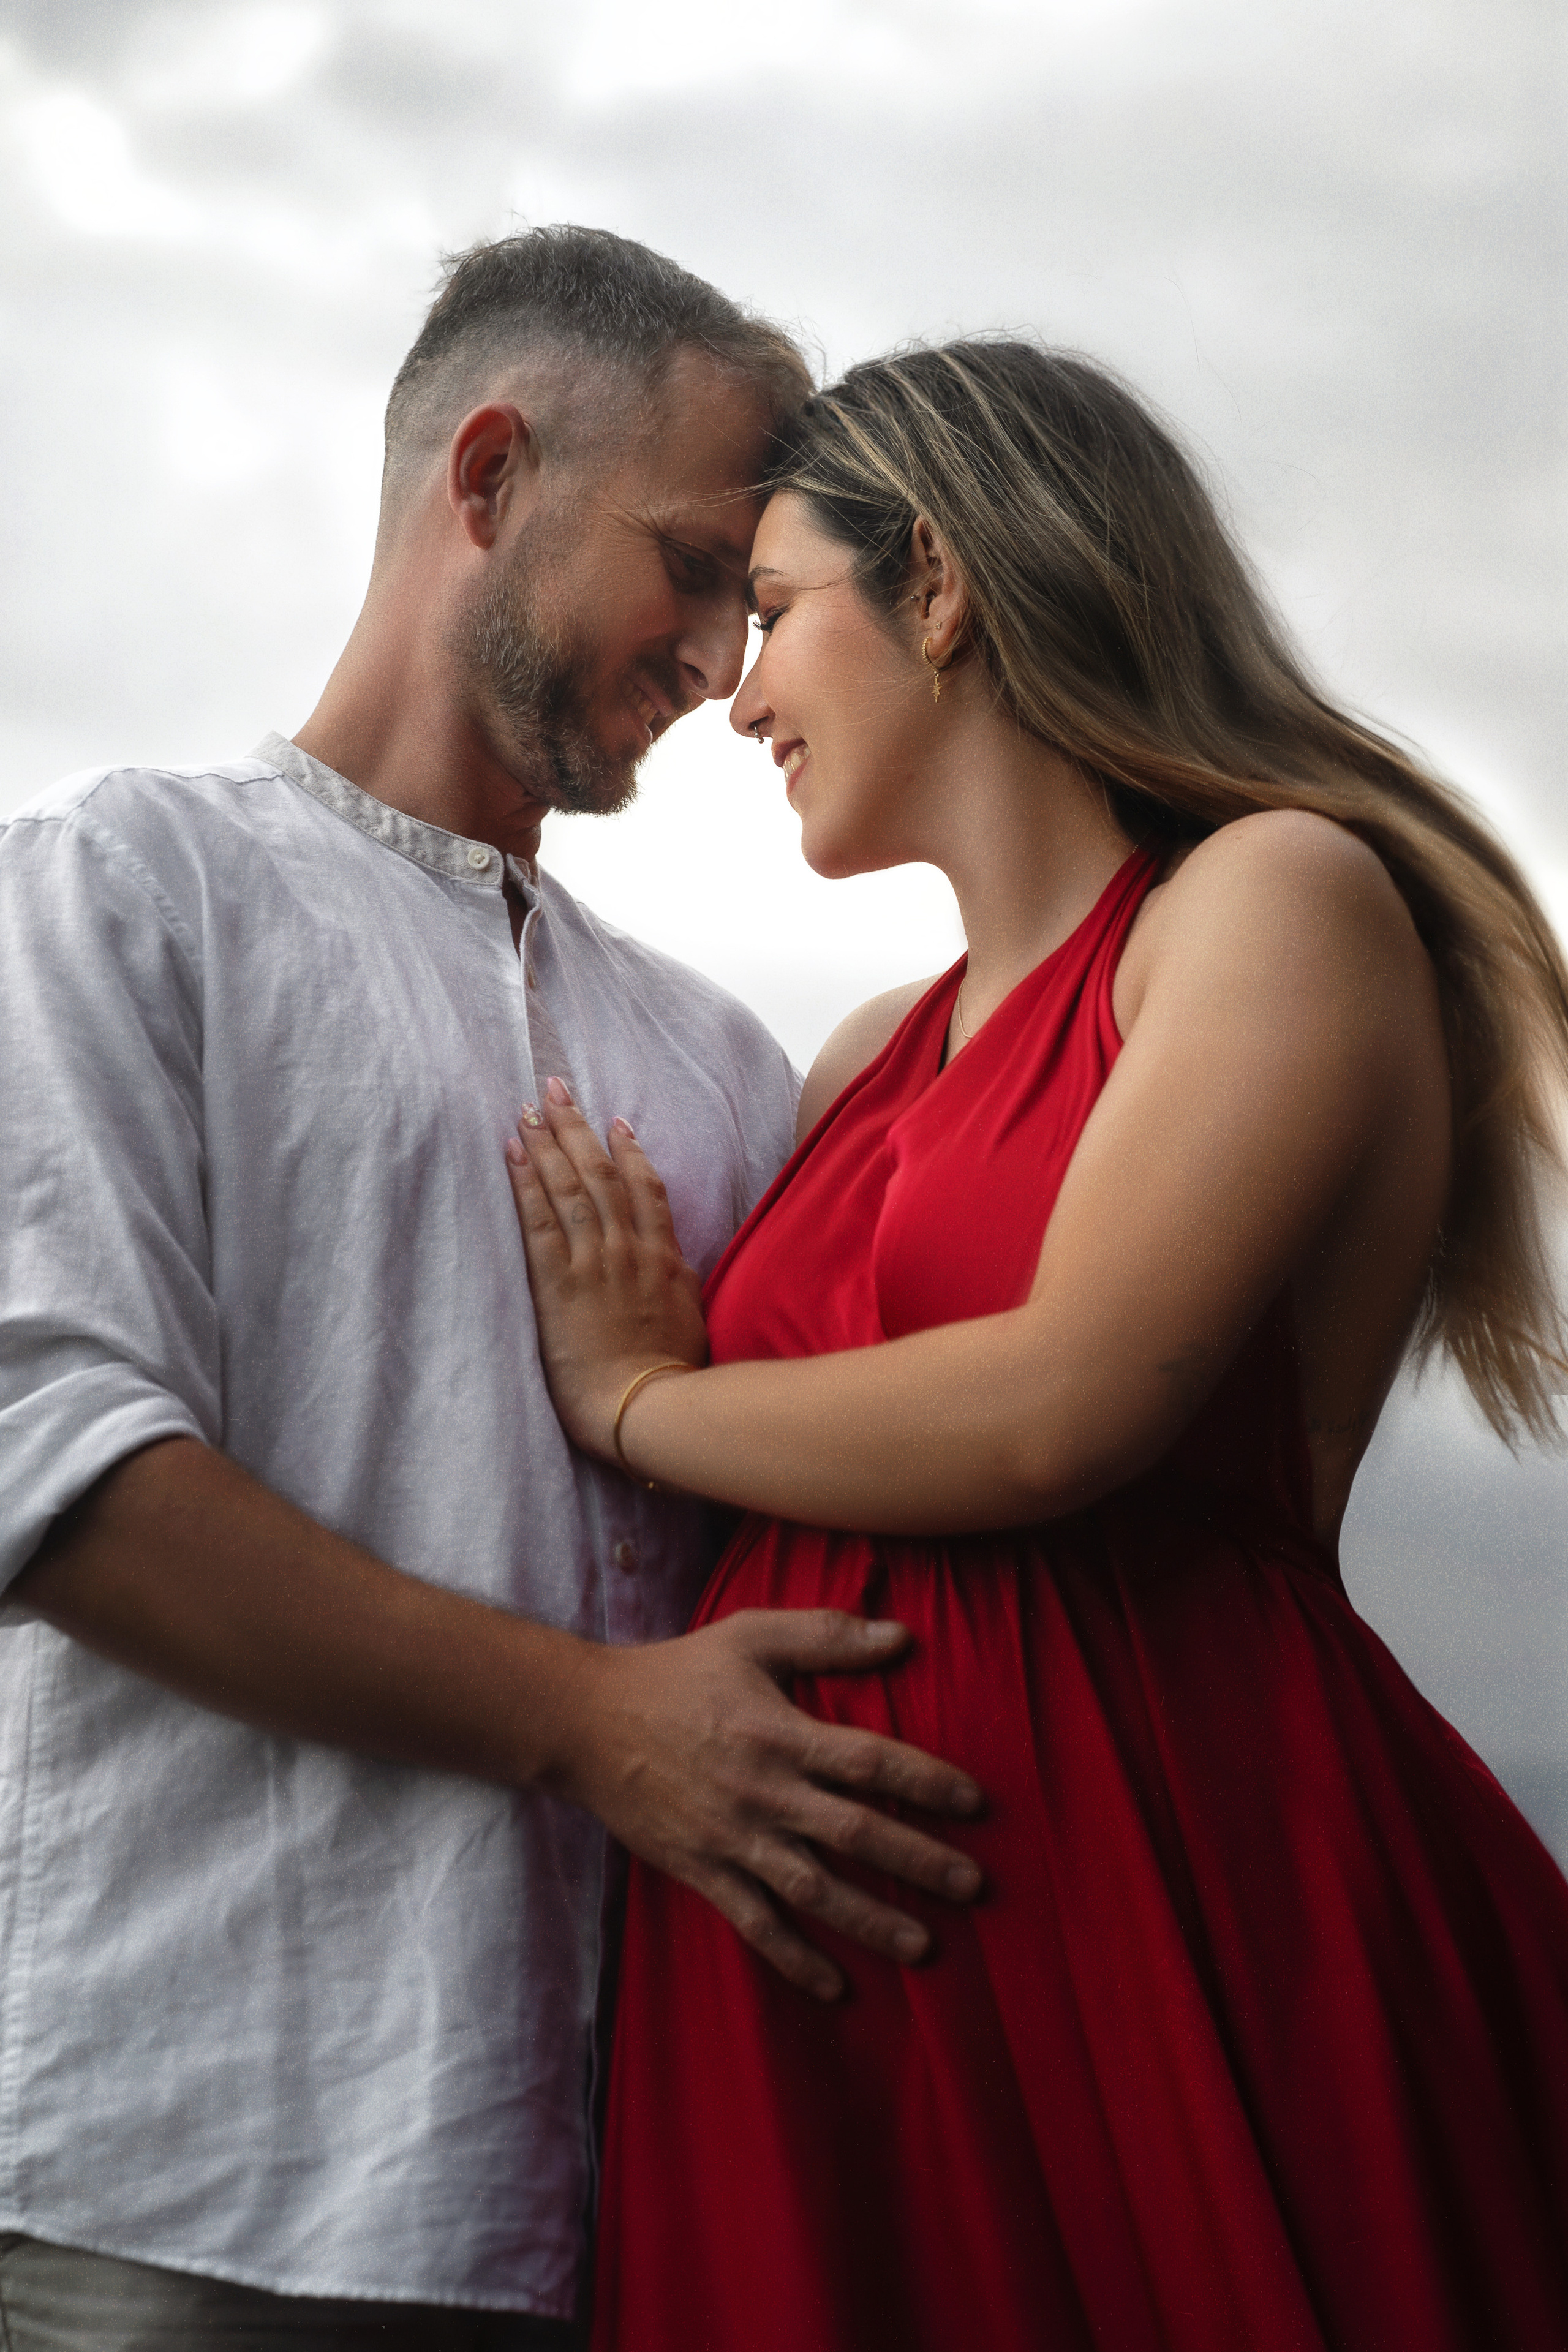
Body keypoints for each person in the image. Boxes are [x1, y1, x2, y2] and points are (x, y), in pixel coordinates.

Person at [507, 340, 1568, 2350]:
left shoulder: (1268, 900)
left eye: (783, 613)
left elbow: (1062, 1408)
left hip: (1167, 1889)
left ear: (942, 587)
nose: (740, 697)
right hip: (808, 1972)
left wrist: (643, 1396)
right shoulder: (851, 1060)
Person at [0, 232, 988, 2351]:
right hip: (176, 2195)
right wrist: (591, 1721)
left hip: (618, 2205)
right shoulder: (113, 894)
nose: (731, 665)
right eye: (702, 570)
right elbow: (57, 1481)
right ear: (489, 473)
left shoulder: (722, 1061)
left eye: (759, 602)